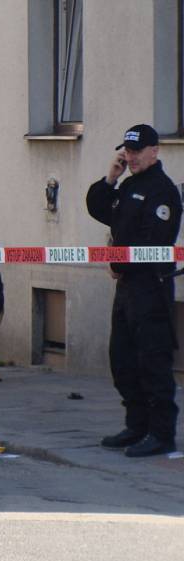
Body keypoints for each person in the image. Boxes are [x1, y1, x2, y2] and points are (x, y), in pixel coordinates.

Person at [86, 124, 182, 457]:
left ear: (154, 151)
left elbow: (152, 242)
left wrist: (118, 264)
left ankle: (161, 433)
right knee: (122, 359)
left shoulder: (162, 191)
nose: (131, 157)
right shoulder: (129, 185)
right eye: (127, 151)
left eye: (137, 151)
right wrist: (110, 177)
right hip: (127, 289)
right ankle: (136, 424)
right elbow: (99, 208)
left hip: (150, 288)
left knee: (152, 361)